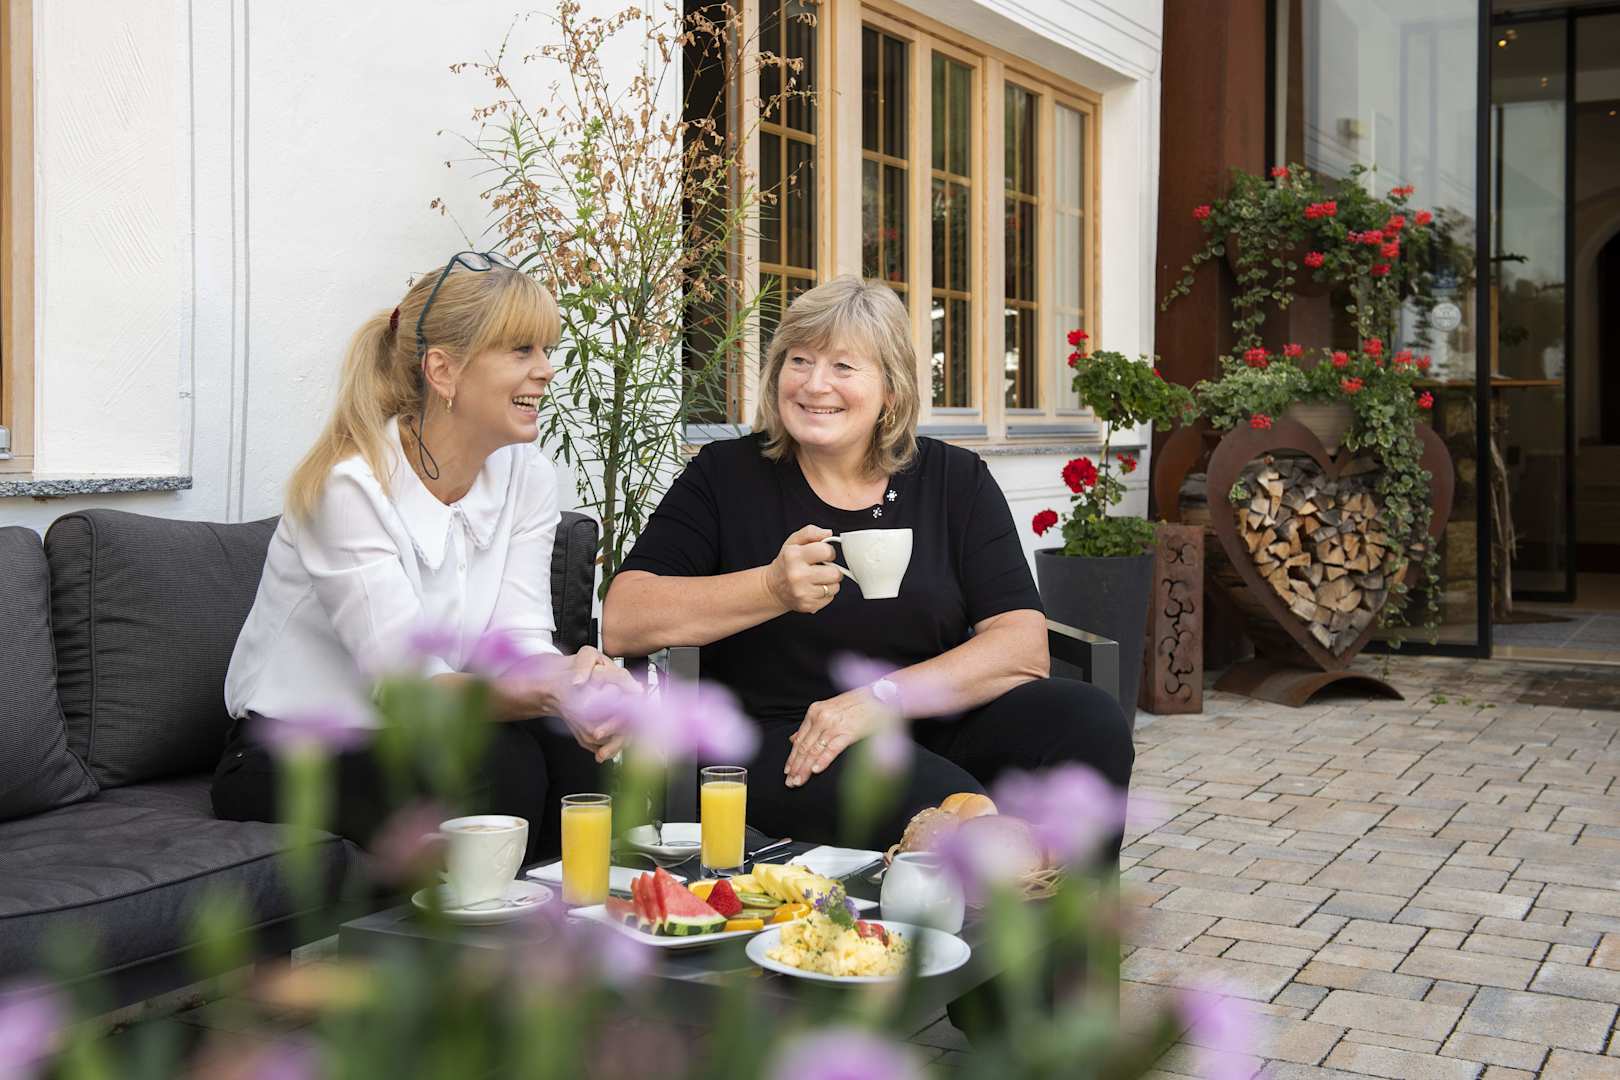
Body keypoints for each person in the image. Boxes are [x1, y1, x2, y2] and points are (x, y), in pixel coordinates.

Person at [602, 276, 1134, 854]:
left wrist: (880, 700)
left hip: (930, 718)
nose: (815, 384)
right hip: (787, 740)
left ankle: (1071, 912)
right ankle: (989, 897)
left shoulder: (954, 482)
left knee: (1090, 721)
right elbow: (625, 618)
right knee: (942, 801)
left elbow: (1022, 645)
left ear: (892, 391)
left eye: (843, 366)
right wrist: (771, 588)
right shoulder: (726, 477)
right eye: (799, 360)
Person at [213, 251, 637, 860]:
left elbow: (518, 643)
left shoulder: (528, 476)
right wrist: (551, 693)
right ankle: (508, 921)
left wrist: (580, 679)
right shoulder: (349, 488)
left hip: (424, 732)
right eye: (521, 350)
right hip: (292, 750)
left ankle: (585, 914)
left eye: (547, 350)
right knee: (499, 765)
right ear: (443, 370)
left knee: (576, 750)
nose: (546, 370)